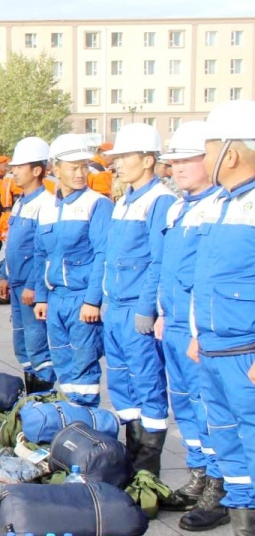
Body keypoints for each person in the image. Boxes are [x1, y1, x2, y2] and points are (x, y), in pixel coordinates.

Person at [185, 100, 255, 536]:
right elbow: (204, 280)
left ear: (231, 153)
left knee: (252, 441)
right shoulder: (224, 205)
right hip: (214, 346)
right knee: (229, 441)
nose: (203, 161)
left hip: (245, 351)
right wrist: (195, 331)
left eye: (208, 151)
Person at [154, 122, 225, 529]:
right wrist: (164, 311)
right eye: (174, 161)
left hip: (199, 326)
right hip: (175, 321)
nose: (177, 167)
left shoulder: (217, 206)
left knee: (209, 406)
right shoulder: (181, 206)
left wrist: (199, 329)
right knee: (185, 403)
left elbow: (207, 276)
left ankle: (220, 485)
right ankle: (198, 475)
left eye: (186, 160)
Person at [101, 123, 177, 476]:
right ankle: (131, 462)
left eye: (125, 157)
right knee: (120, 383)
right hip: (115, 308)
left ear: (148, 160)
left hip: (135, 309)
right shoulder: (124, 201)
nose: (117, 163)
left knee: (147, 384)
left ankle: (147, 470)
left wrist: (147, 308)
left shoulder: (160, 200)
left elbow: (158, 261)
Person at [33, 134, 113, 406]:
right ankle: (69, 418)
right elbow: (41, 255)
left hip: (81, 299)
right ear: (55, 169)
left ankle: (85, 423)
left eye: (84, 167)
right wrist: (42, 297)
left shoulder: (96, 204)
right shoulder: (46, 207)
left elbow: (103, 254)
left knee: (84, 364)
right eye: (73, 167)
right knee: (62, 361)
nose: (81, 173)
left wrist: (92, 301)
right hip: (56, 299)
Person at [0, 137, 57, 392]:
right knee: (22, 344)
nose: (14, 172)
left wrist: (33, 286)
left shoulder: (46, 204)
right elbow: (10, 243)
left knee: (37, 345)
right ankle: (31, 398)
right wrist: (4, 275)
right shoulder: (21, 202)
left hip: (30, 288)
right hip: (16, 285)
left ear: (36, 170)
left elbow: (42, 252)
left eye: (19, 167)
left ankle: (42, 399)